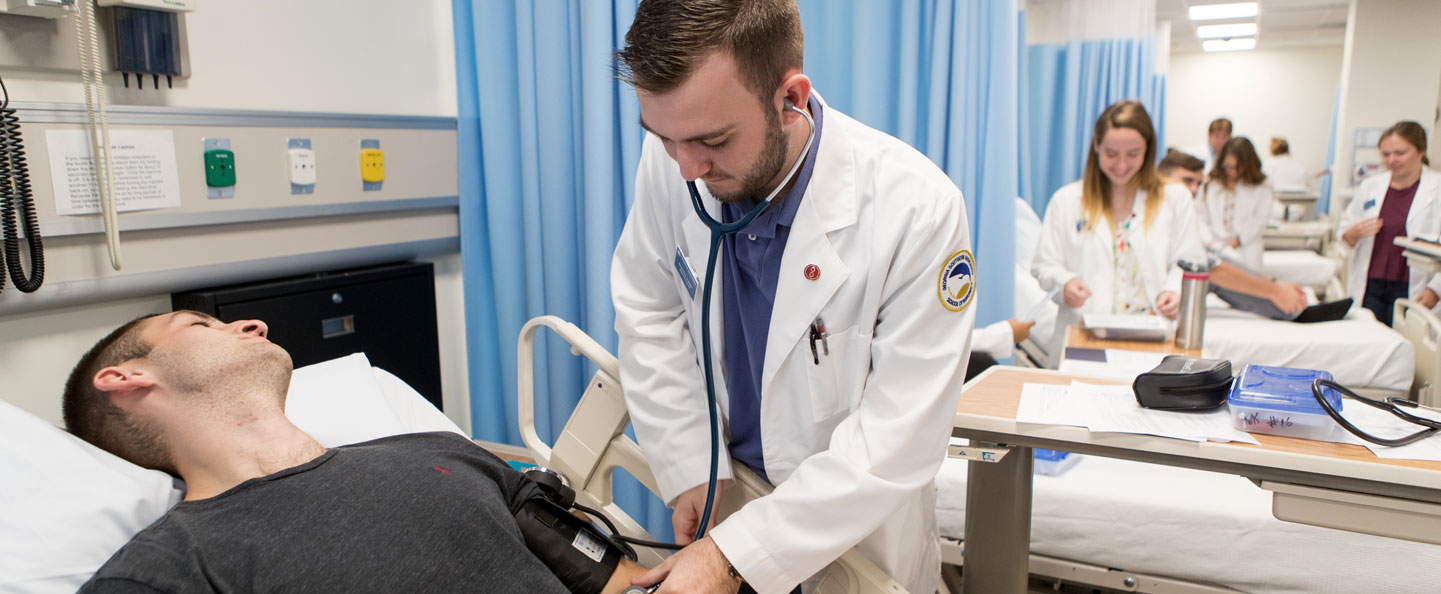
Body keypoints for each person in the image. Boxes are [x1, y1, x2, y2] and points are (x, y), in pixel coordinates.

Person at [609, 1, 974, 593]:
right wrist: (686, 460)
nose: (686, 169)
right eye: (663, 137)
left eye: (713, 141)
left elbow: (899, 438)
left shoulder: (917, 210)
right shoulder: (677, 153)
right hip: (723, 512)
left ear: (791, 99)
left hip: (853, 542)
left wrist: (739, 553)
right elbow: (647, 306)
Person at [63, 311, 647, 594]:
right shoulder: (168, 568)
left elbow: (624, 583)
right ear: (125, 377)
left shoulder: (441, 452)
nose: (252, 324)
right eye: (199, 323)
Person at [1033, 100, 1205, 319]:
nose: (1122, 165)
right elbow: (1044, 265)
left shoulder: (1175, 198)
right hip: (1084, 331)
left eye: (1133, 154)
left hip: (1153, 332)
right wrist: (1064, 283)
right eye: (1112, 154)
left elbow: (1190, 262)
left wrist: (1175, 289)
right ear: (1096, 144)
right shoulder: (1066, 201)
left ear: (1148, 149)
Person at [1157, 151, 1310, 318]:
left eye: (1198, 183)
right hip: (1166, 292)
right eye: (1187, 181)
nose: (1194, 189)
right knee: (1211, 265)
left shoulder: (1176, 209)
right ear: (1161, 178)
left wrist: (1272, 284)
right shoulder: (1159, 212)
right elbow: (1204, 264)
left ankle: (1287, 302)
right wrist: (1275, 291)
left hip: (1232, 249)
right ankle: (1291, 307)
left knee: (1218, 260)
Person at [1338, 121, 1441, 325]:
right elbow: (1344, 232)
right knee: (1368, 343)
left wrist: (1435, 290)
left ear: (1421, 151)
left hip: (1414, 287)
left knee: (1406, 348)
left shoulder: (1437, 188)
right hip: (1371, 285)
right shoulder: (1371, 186)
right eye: (1386, 154)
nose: (1391, 160)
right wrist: (1352, 233)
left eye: (1400, 153)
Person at [1196, 137, 1276, 271]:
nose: (1232, 172)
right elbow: (1199, 215)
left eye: (1237, 168)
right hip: (1214, 247)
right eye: (1228, 167)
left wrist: (1238, 240)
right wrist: (1209, 240)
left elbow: (1260, 218)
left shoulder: (1262, 186)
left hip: (1247, 250)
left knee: (1247, 286)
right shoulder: (1211, 183)